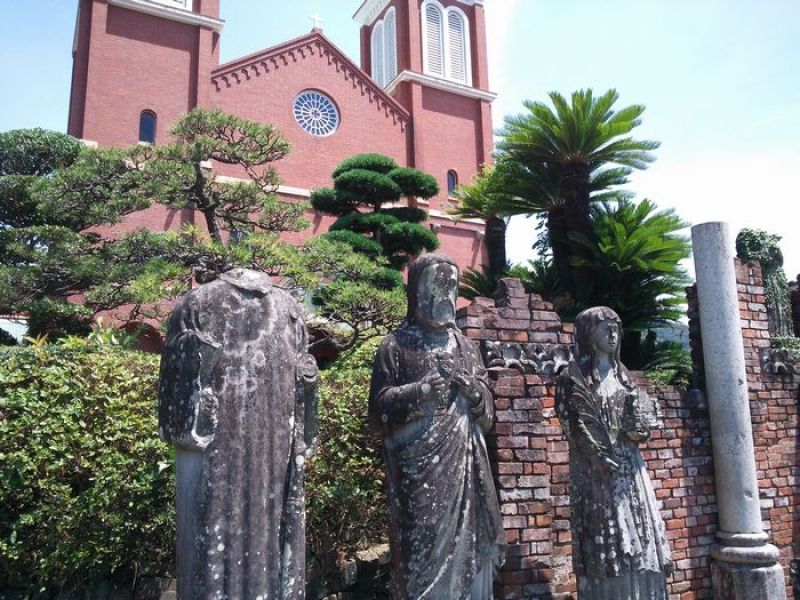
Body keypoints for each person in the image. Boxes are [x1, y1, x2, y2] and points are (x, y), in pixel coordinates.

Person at [158, 268, 318, 600]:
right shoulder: (197, 305)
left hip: (274, 457)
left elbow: (303, 387)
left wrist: (309, 385)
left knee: (270, 537)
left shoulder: (288, 309)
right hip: (220, 461)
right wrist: (195, 373)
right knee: (214, 546)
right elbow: (176, 417)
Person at [369, 253, 505, 600]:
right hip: (420, 475)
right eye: (437, 285)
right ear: (416, 292)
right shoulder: (395, 346)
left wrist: (476, 395)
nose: (446, 294)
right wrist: (421, 393)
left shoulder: (467, 348)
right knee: (421, 551)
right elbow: (378, 412)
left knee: (473, 550)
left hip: (467, 470)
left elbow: (487, 416)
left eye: (452, 286)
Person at [556, 306, 672, 599]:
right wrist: (598, 453)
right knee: (608, 546)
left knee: (643, 542)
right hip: (597, 475)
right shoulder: (573, 379)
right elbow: (573, 427)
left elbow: (641, 429)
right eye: (604, 327)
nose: (612, 333)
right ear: (587, 334)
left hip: (632, 471)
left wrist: (638, 426)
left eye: (616, 327)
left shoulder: (626, 378)